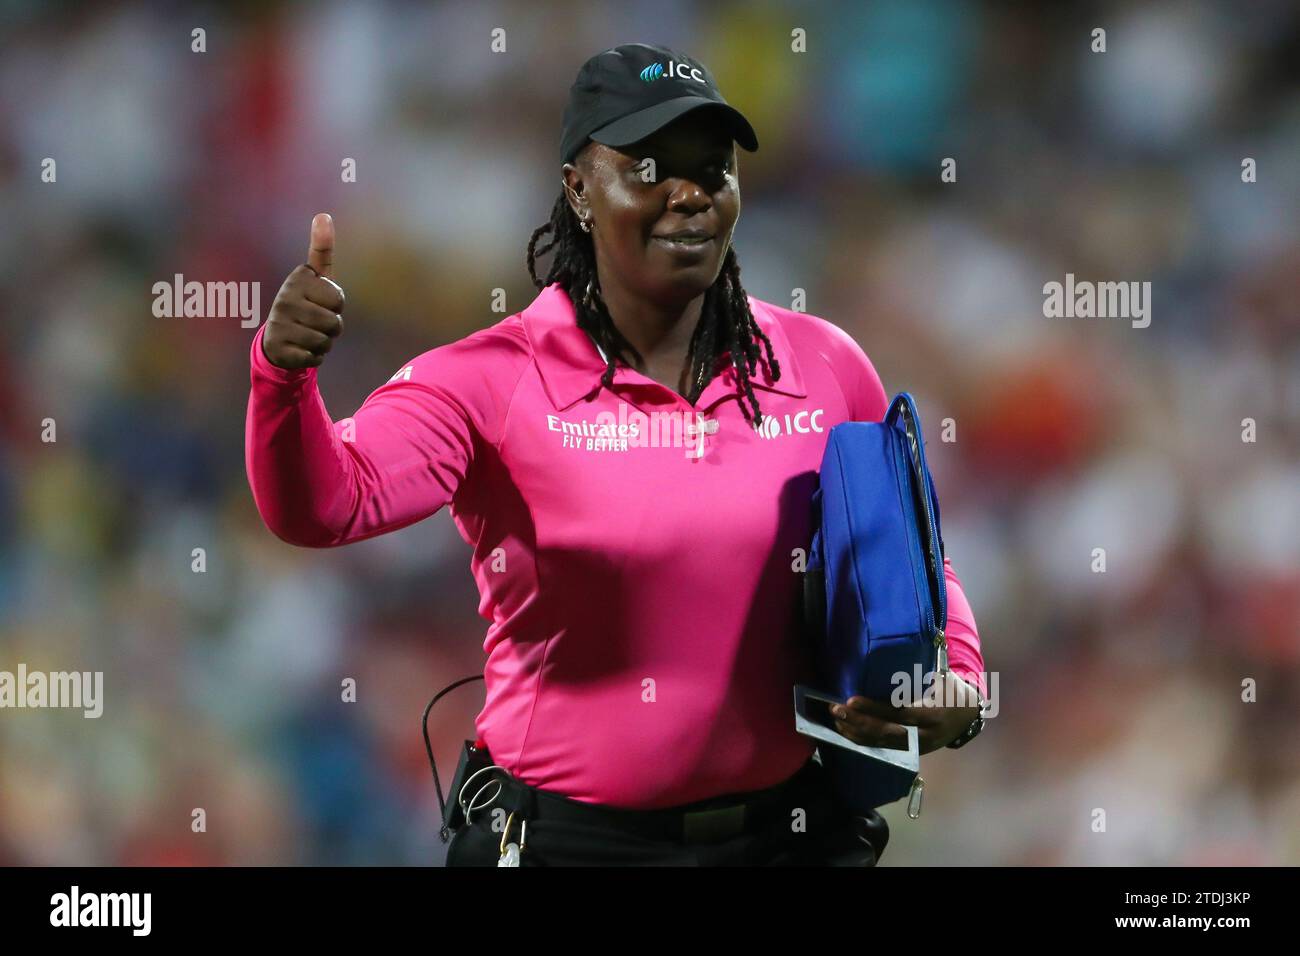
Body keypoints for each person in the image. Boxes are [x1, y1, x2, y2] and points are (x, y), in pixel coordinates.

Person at [245, 42, 986, 866]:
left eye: (714, 168)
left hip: (789, 836)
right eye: (647, 168)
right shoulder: (492, 379)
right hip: (570, 845)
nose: (690, 194)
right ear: (578, 190)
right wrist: (283, 378)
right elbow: (324, 506)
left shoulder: (822, 364)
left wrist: (954, 677)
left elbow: (909, 562)